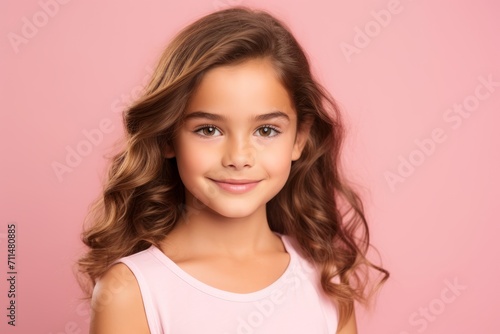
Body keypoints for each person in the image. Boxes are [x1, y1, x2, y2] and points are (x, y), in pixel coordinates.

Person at [78, 6, 389, 334]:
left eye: (266, 130)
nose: (239, 158)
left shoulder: (327, 280)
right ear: (168, 136)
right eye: (209, 130)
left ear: (299, 139)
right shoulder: (131, 292)